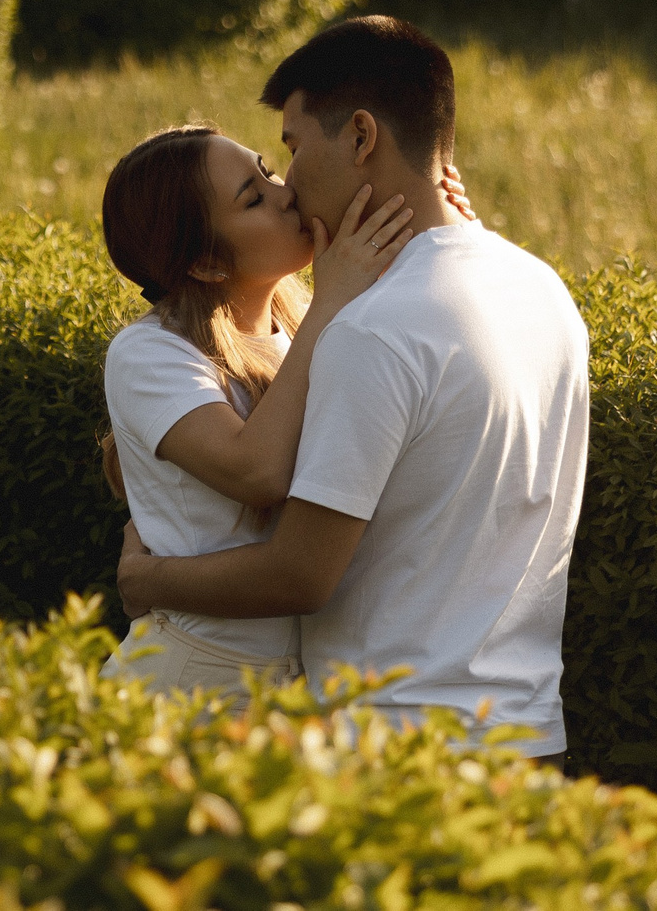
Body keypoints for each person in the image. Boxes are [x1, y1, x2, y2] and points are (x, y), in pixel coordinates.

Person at [116, 16, 590, 763]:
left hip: (397, 748)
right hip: (526, 737)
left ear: (361, 136)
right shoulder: (538, 287)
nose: (289, 180)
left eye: (294, 147)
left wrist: (149, 577)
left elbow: (299, 572)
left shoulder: (372, 328)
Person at [96, 122, 465, 699]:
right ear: (207, 265)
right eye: (253, 197)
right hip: (191, 680)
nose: (284, 191)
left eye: (267, 170)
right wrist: (330, 301)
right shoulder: (147, 353)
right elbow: (257, 472)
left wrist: (443, 222)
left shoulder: (294, 329)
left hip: (288, 684)